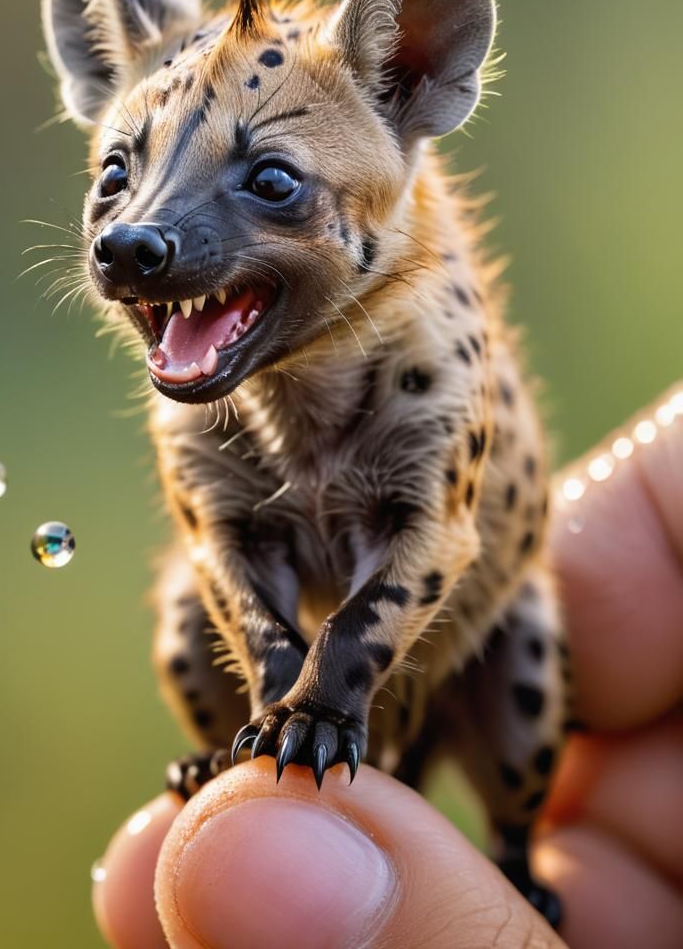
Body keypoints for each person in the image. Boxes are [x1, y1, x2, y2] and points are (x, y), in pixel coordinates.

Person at [93, 388, 683, 948]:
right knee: (191, 604)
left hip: (463, 650)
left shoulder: (429, 370)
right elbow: (220, 547)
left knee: (523, 636)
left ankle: (512, 855)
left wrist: (327, 691)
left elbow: (438, 537)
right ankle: (243, 754)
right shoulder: (202, 409)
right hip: (349, 639)